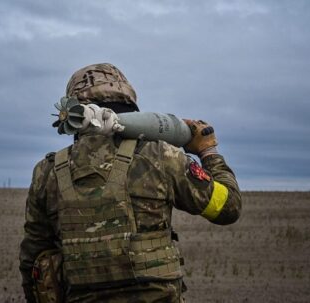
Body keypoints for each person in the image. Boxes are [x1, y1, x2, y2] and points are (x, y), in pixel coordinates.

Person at [19, 63, 242, 303]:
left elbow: (33, 258)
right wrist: (209, 151)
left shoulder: (47, 172)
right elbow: (228, 208)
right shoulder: (161, 156)